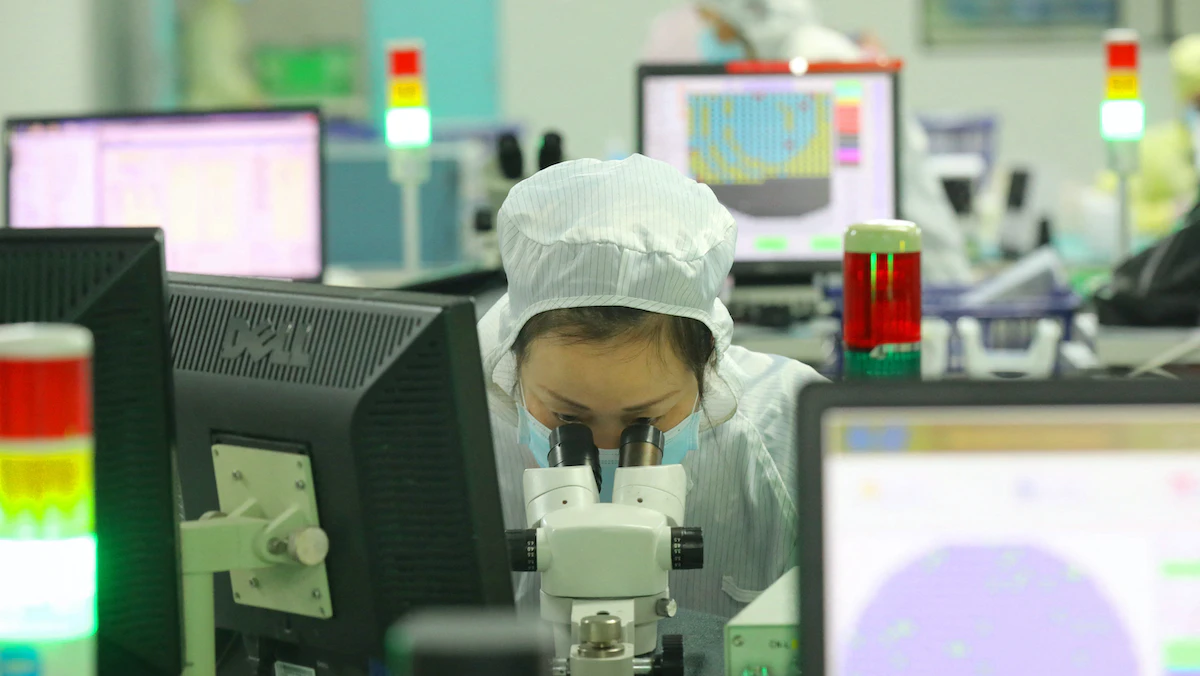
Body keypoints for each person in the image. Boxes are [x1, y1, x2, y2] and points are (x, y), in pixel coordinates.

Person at [478, 154, 824, 618]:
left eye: (644, 421)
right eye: (567, 418)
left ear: (707, 366)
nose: (605, 451)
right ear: (513, 361)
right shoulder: (458, 443)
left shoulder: (793, 433)